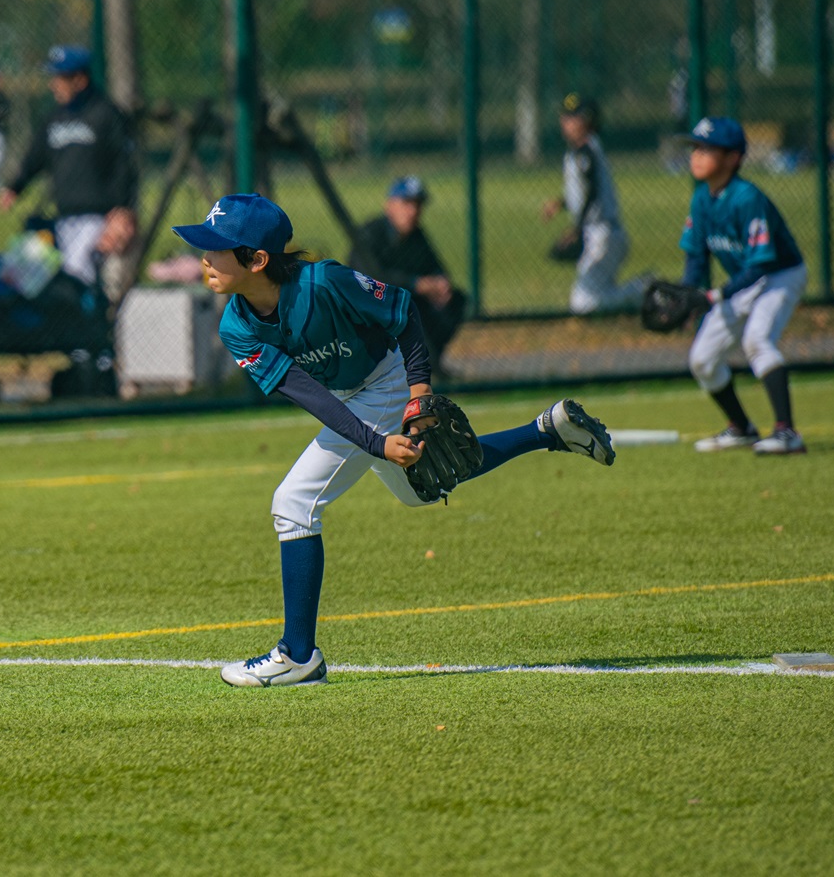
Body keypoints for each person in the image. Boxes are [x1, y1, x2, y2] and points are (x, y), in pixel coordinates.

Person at [180, 194, 615, 688]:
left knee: (294, 502)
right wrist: (375, 442)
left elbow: (404, 313)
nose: (205, 259)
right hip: (348, 398)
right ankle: (547, 431)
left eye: (216, 249)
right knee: (420, 486)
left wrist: (419, 392)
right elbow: (313, 398)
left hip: (385, 381)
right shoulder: (236, 325)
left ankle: (298, 655)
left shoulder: (326, 282)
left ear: (257, 260)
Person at [680, 117, 809, 455]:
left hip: (781, 274)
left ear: (733, 157)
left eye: (706, 149)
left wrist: (716, 294)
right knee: (703, 359)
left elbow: (762, 263)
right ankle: (742, 428)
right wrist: (688, 296)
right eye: (694, 147)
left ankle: (787, 432)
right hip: (743, 282)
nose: (696, 155)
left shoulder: (747, 198)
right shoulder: (701, 199)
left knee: (757, 339)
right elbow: (695, 256)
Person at [0, 46, 137, 290]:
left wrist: (122, 208)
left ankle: (87, 324)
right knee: (34, 277)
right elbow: (35, 157)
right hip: (62, 215)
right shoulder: (54, 118)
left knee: (79, 279)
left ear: (80, 80)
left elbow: (124, 165)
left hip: (98, 217)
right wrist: (15, 187)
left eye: (60, 78)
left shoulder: (106, 114)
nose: (54, 85)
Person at [541, 93, 649, 315]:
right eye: (565, 117)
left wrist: (576, 228)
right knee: (592, 295)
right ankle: (640, 291)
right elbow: (585, 193)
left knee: (584, 304)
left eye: (573, 118)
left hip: (602, 234)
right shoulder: (581, 152)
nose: (566, 123)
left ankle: (645, 289)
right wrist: (561, 203)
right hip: (600, 232)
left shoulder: (587, 151)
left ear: (588, 122)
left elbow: (592, 192)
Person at [349, 176, 465, 367]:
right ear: (389, 205)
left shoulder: (417, 236)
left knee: (456, 300)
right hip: (368, 306)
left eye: (417, 205)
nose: (413, 211)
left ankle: (429, 363)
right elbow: (371, 278)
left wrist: (441, 284)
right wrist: (416, 284)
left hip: (406, 300)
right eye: (407, 204)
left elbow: (435, 267)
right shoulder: (370, 233)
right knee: (406, 307)